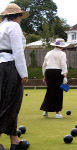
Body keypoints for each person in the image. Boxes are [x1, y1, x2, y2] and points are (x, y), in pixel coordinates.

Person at [0, 3, 29, 149]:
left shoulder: (0, 26)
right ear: (16, 16)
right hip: (10, 67)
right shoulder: (14, 26)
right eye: (20, 17)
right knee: (12, 103)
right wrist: (23, 73)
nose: (21, 20)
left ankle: (14, 140)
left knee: (2, 102)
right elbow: (18, 52)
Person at [41, 38, 68, 119]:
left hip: (48, 72)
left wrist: (44, 76)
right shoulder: (62, 53)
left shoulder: (48, 53)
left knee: (49, 91)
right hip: (57, 73)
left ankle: (45, 111)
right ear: (61, 46)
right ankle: (57, 112)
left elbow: (44, 65)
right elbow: (63, 64)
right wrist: (65, 75)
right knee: (58, 92)